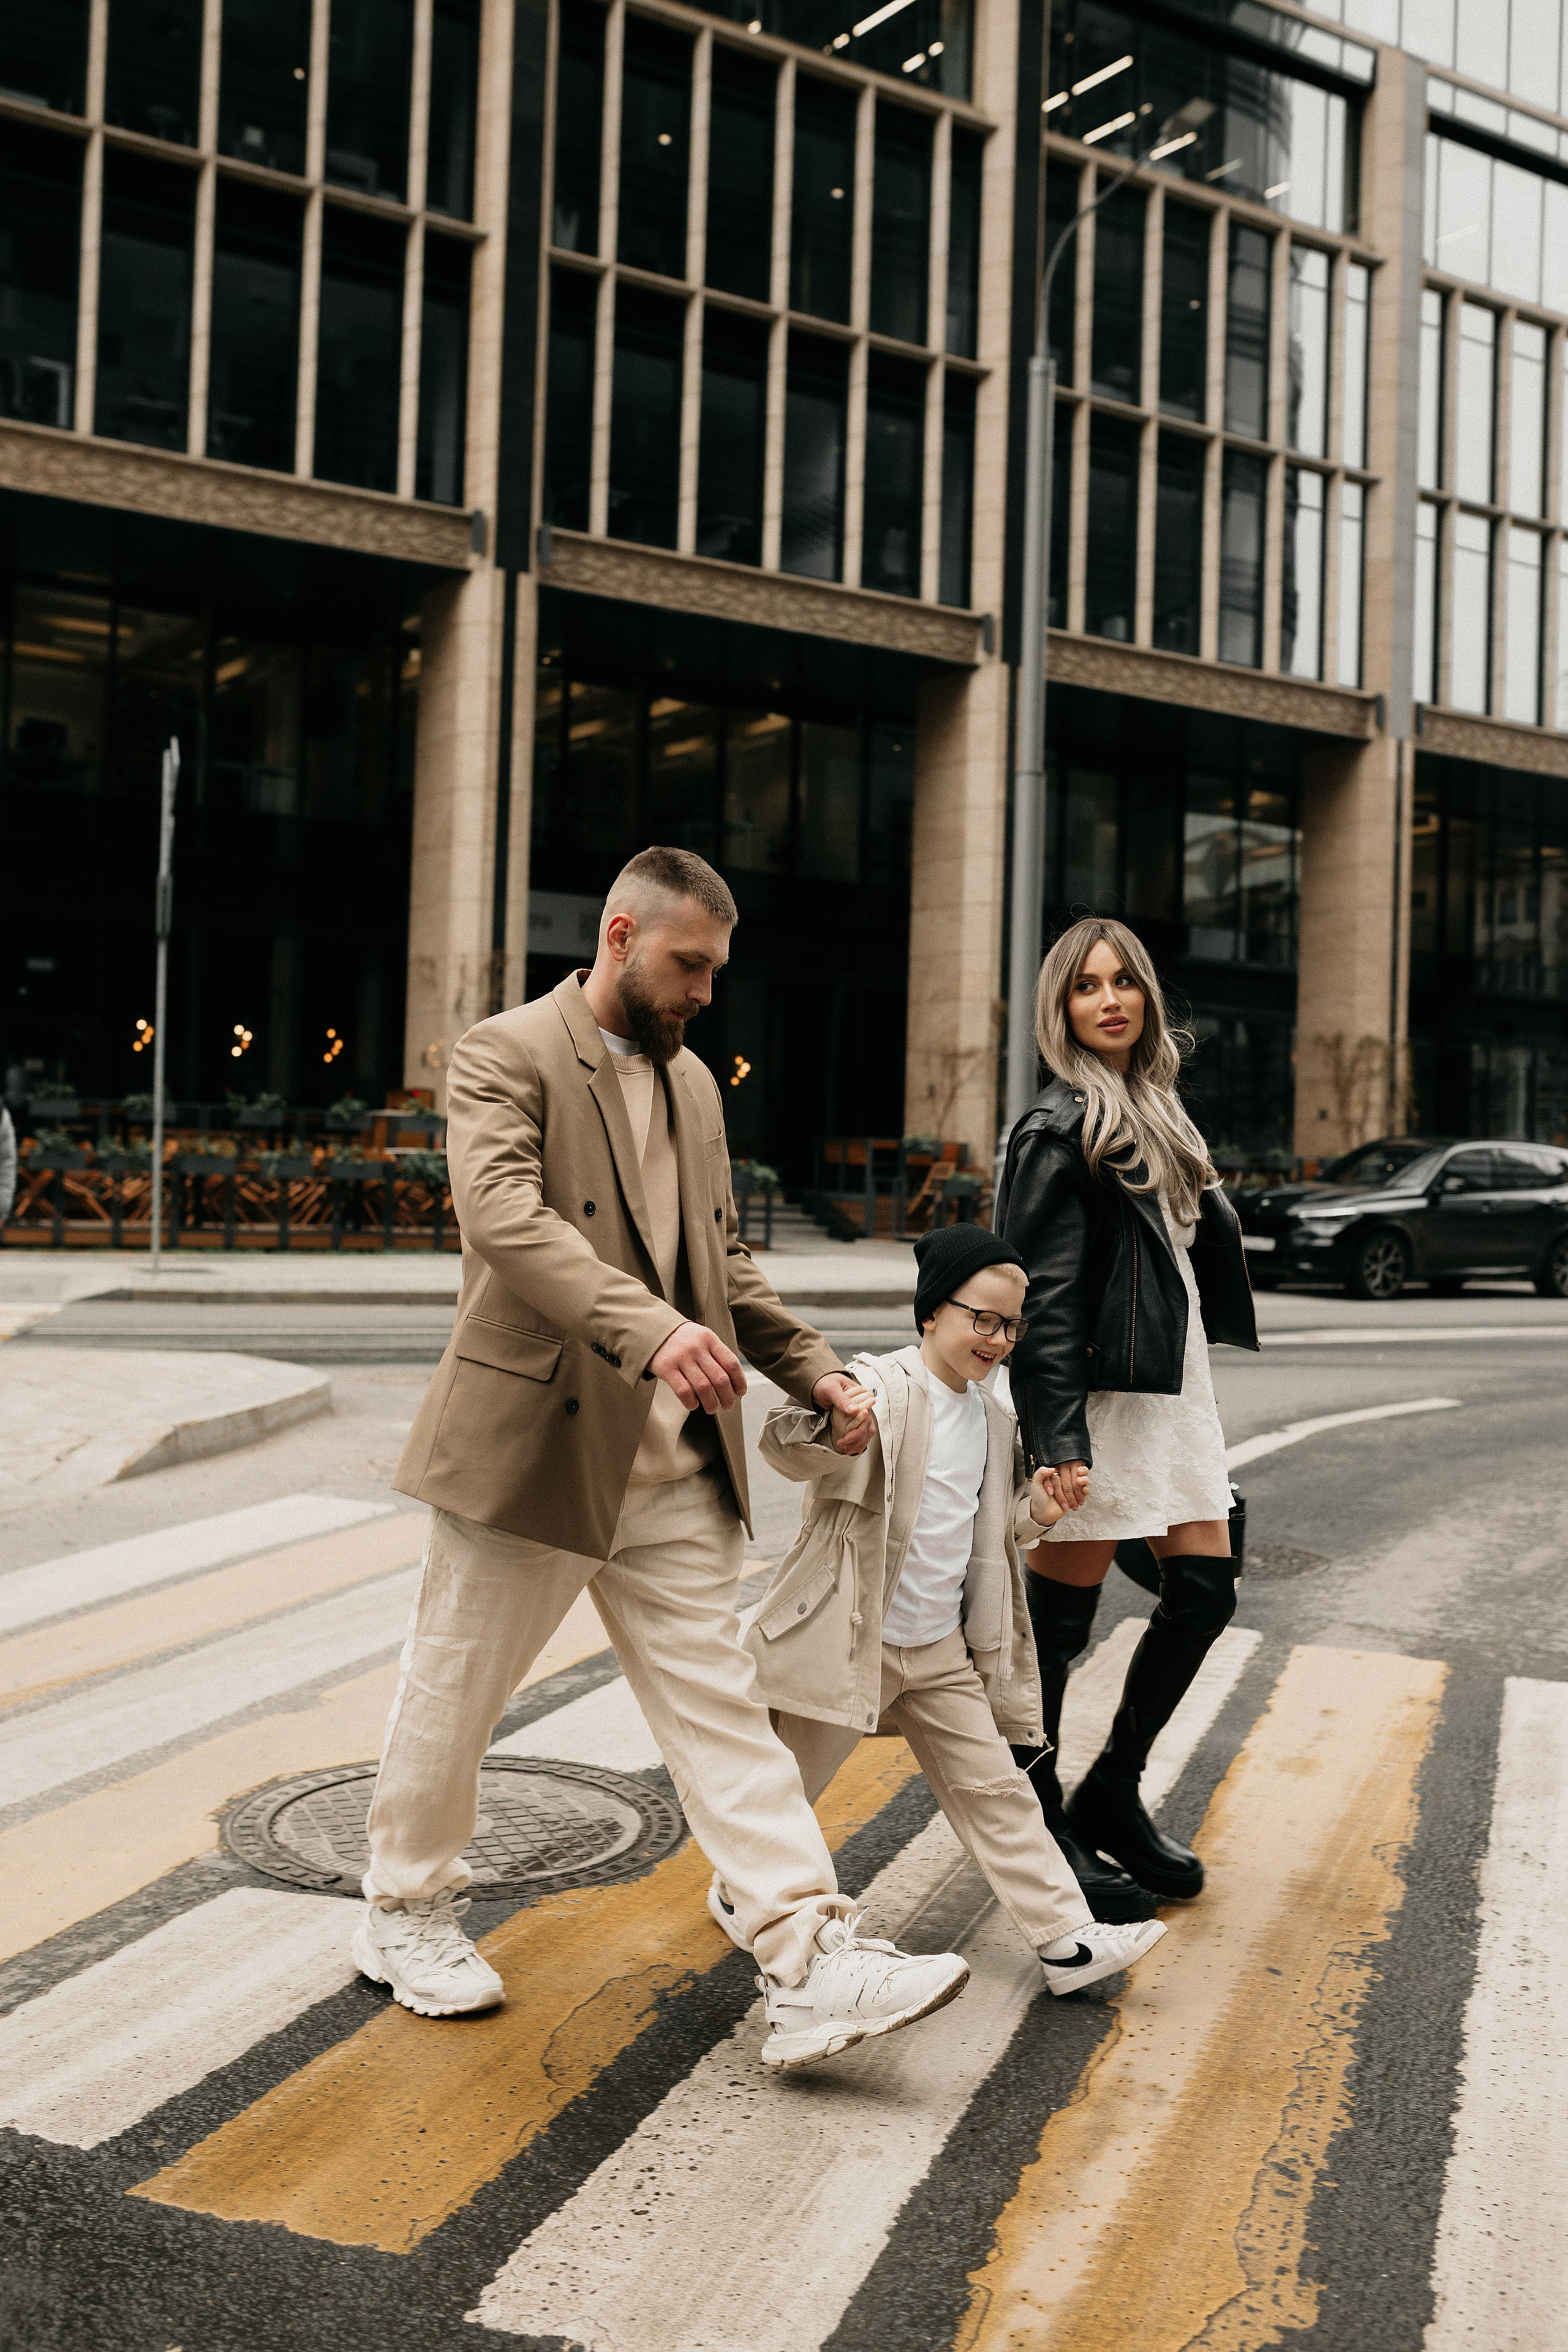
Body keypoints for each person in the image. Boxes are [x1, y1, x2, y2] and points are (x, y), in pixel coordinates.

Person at [358, 845, 970, 2073]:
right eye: (689, 963)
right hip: (535, 1446)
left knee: (720, 1713)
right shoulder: (505, 1052)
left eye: (715, 969)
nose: (703, 990)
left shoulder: (695, 1086)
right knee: (455, 1692)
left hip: (671, 1466)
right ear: (622, 934)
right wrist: (652, 1330)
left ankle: (805, 1954)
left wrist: (812, 1366)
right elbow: (503, 1220)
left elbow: (722, 1259)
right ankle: (403, 1910)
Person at [712, 1223, 1166, 2000]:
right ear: (931, 1313)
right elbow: (788, 1445)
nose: (995, 1338)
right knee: (788, 1789)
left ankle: (1065, 1942)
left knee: (997, 1791)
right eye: (979, 1318)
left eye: (1010, 1325)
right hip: (852, 1637)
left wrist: (1043, 1511)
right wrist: (836, 1429)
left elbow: (996, 1530)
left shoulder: (994, 1419)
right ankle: (736, 1892)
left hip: (937, 1649)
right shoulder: (879, 1386)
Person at [997, 917, 1257, 1910]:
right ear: (1061, 1011)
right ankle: (1037, 1825)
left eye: (1124, 983)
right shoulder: (1062, 1129)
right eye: (1084, 988)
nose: (1108, 1000)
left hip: (1171, 1394)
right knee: (1053, 1632)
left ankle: (1112, 1792)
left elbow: (1179, 1269)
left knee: (1205, 1590)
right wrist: (1054, 1440)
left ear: (1148, 998)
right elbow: (1041, 1300)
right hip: (1098, 1403)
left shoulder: (1160, 1114)